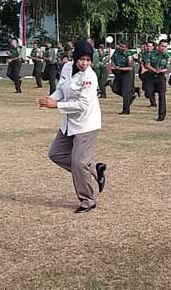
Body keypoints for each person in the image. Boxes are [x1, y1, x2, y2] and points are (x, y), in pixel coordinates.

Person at [37, 41, 107, 214]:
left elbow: (82, 105)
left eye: (88, 60)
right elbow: (61, 90)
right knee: (56, 154)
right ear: (75, 58)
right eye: (82, 59)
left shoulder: (90, 77)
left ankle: (88, 200)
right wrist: (49, 100)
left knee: (78, 162)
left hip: (86, 124)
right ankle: (93, 170)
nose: (84, 63)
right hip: (69, 123)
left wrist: (57, 106)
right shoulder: (67, 67)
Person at [144, 39, 171, 121]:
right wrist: (154, 70)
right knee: (148, 93)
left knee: (162, 96)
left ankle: (161, 115)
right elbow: (147, 65)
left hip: (161, 77)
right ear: (158, 46)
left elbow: (167, 68)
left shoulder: (168, 56)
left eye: (165, 47)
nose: (163, 48)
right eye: (162, 46)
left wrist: (160, 71)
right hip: (151, 75)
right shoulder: (151, 54)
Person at [111, 42, 136, 115]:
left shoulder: (129, 55)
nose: (121, 48)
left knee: (125, 92)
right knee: (115, 89)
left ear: (126, 48)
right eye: (120, 46)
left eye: (123, 47)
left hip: (127, 74)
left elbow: (130, 68)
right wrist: (114, 66)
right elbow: (113, 59)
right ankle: (130, 97)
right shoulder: (116, 51)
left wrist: (120, 68)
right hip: (118, 72)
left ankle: (126, 110)